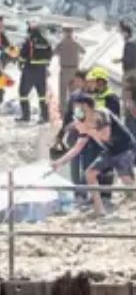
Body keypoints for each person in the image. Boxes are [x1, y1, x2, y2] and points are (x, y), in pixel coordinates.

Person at [50, 93, 136, 217]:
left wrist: (87, 130)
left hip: (125, 148)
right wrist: (59, 162)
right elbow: (77, 147)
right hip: (110, 150)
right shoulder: (84, 121)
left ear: (86, 106)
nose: (75, 111)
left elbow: (105, 136)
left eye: (77, 107)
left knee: (126, 178)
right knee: (90, 173)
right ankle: (99, 209)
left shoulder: (102, 114)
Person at [51, 71, 89, 205]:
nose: (77, 83)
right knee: (74, 164)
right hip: (74, 134)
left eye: (78, 80)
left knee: (87, 165)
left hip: (88, 134)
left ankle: (83, 193)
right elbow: (68, 116)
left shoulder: (91, 96)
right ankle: (77, 192)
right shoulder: (74, 96)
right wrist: (61, 134)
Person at [16, 19, 53, 123]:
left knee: (23, 93)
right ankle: (45, 117)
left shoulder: (30, 39)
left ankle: (26, 115)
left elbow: (23, 53)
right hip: (42, 71)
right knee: (42, 94)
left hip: (30, 70)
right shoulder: (45, 40)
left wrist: (20, 63)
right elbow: (50, 54)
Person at [56, 26, 83, 121]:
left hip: (64, 70)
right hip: (75, 71)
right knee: (75, 93)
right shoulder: (76, 43)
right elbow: (84, 51)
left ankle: (63, 114)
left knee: (63, 93)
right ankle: (77, 113)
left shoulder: (61, 44)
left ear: (64, 33)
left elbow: (53, 53)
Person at [115, 22, 136, 86]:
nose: (121, 35)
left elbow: (129, 58)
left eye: (122, 33)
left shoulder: (130, 43)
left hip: (131, 71)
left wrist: (119, 60)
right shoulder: (132, 42)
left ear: (126, 33)